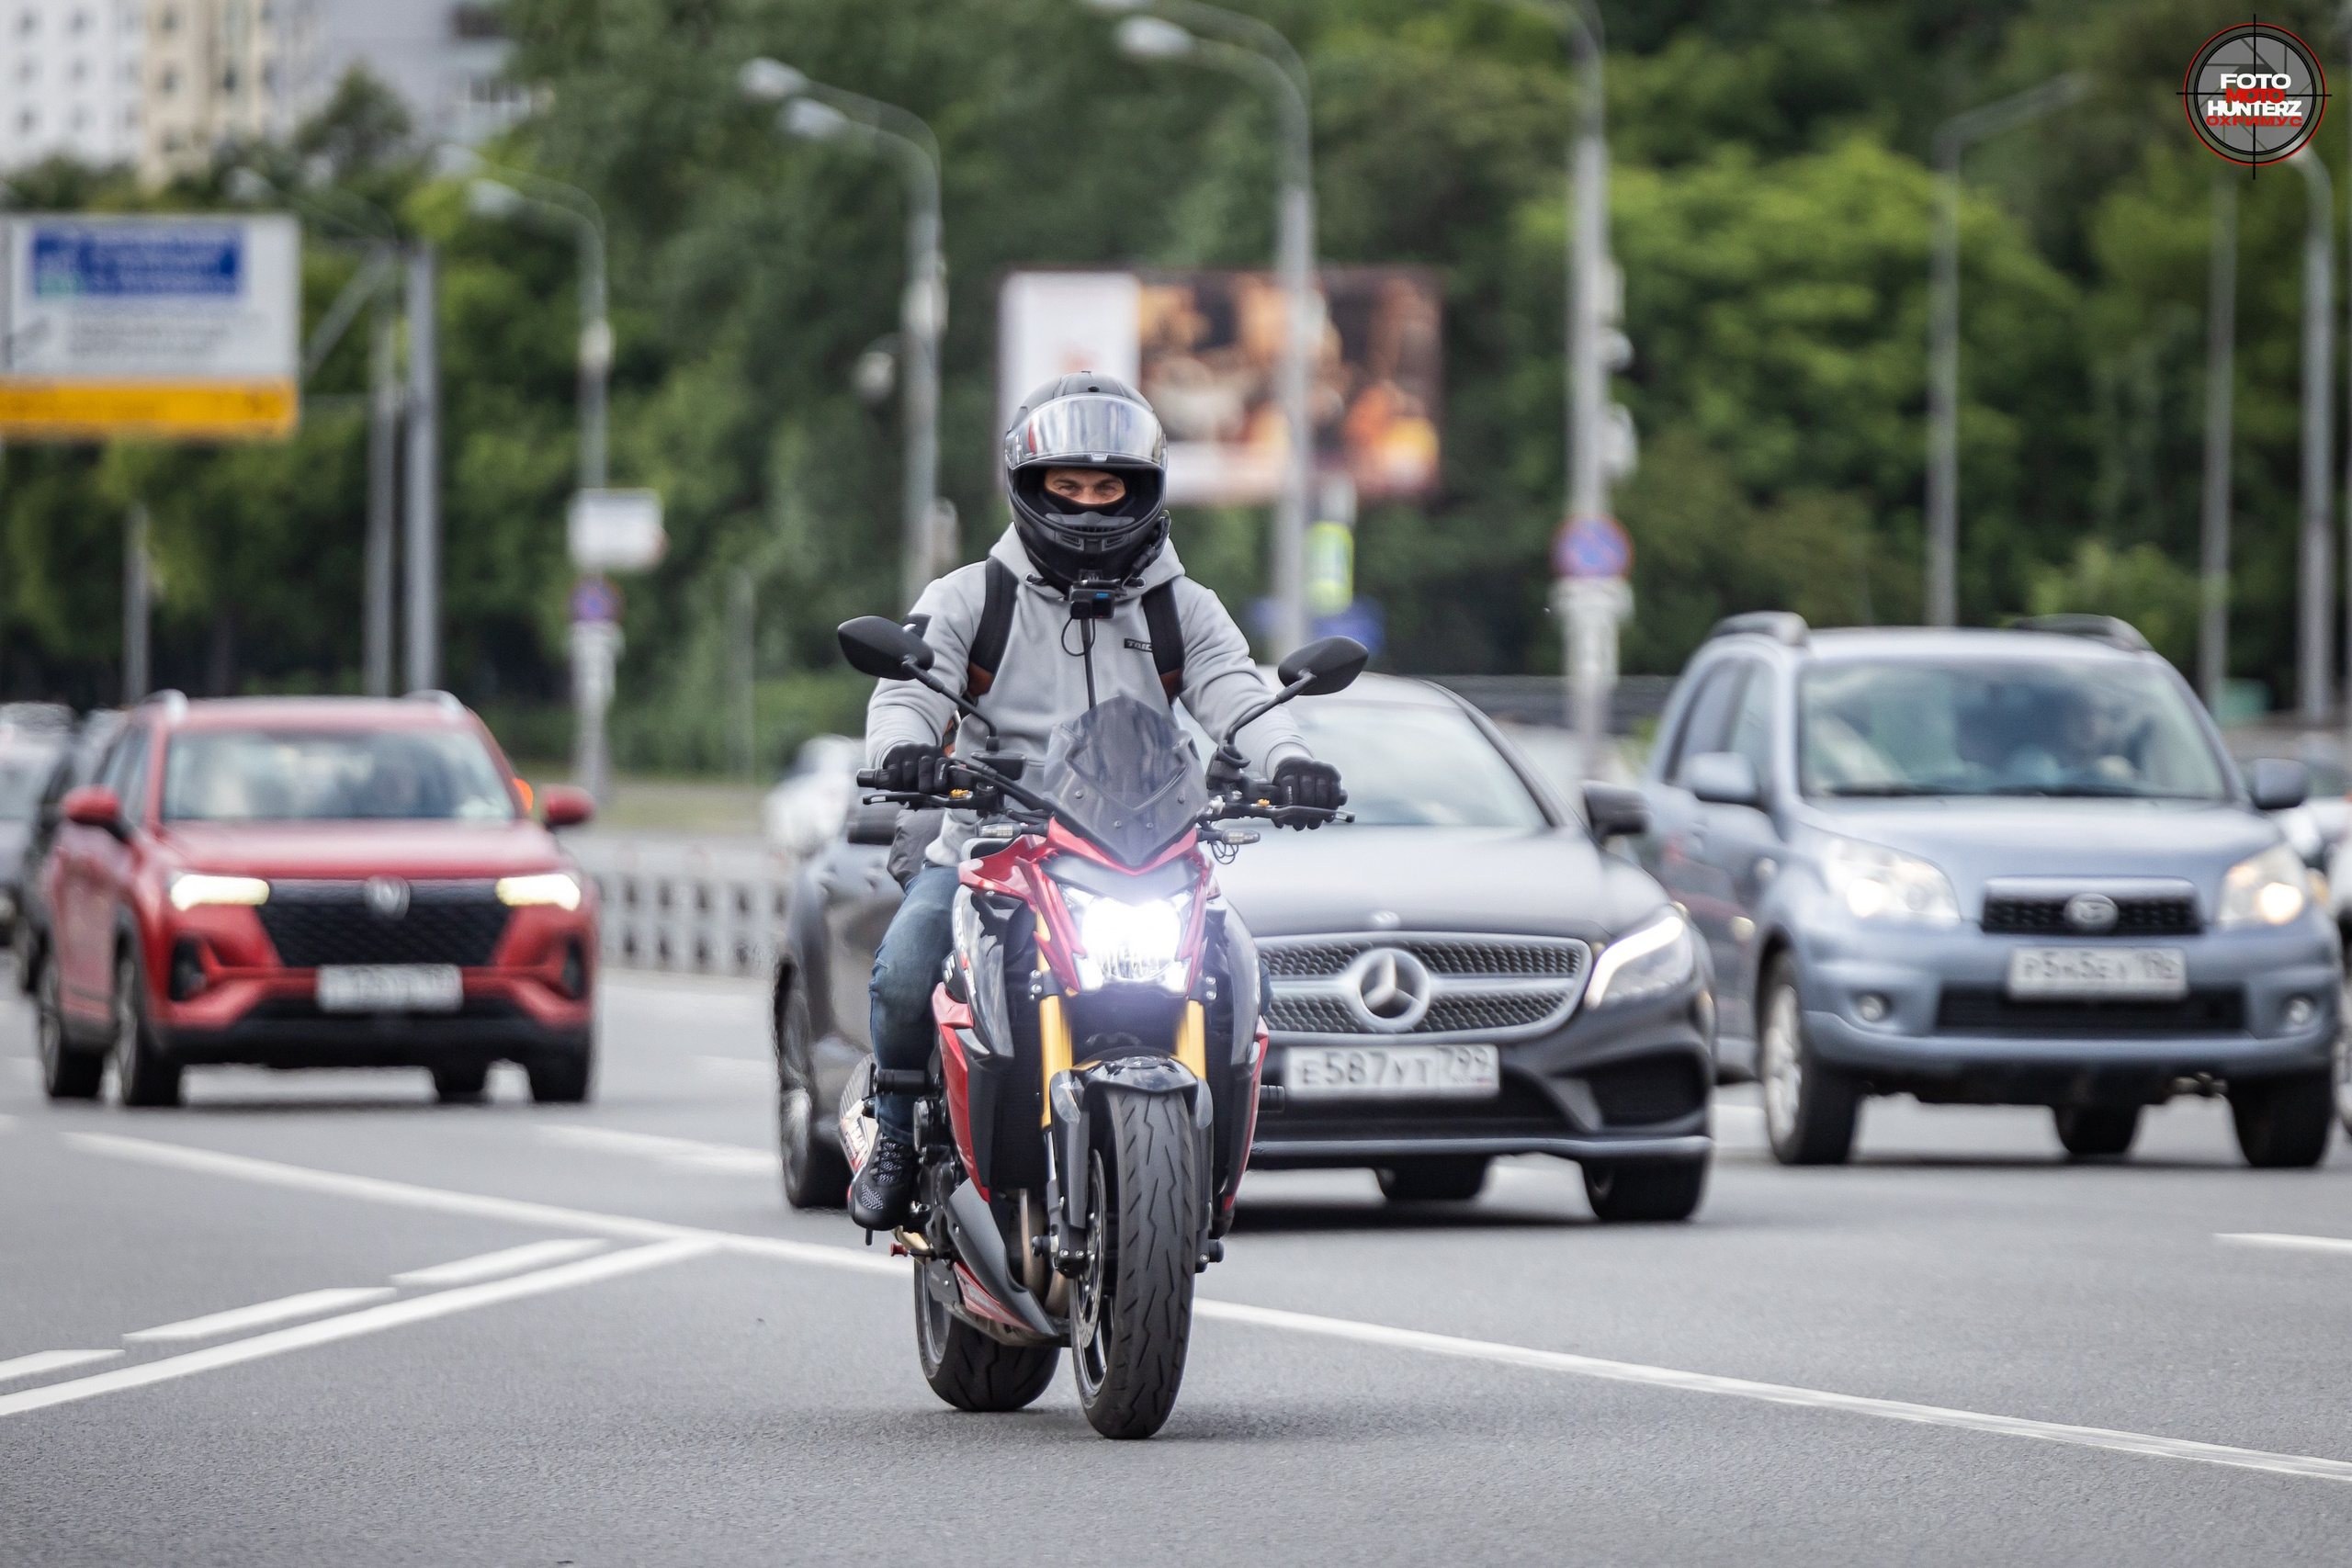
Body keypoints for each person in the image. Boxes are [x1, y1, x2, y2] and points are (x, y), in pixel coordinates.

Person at [847, 373, 1345, 1230]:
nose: (1085, 507)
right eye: (1066, 488)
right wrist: (903, 748)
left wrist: (1292, 760)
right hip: (993, 850)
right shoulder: (972, 597)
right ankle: (895, 1134)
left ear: (1142, 491)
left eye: (1106, 487)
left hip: (1145, 853)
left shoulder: (1182, 608)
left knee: (1235, 967)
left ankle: (1210, 1156)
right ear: (1029, 488)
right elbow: (912, 688)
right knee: (903, 968)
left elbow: (1237, 694)